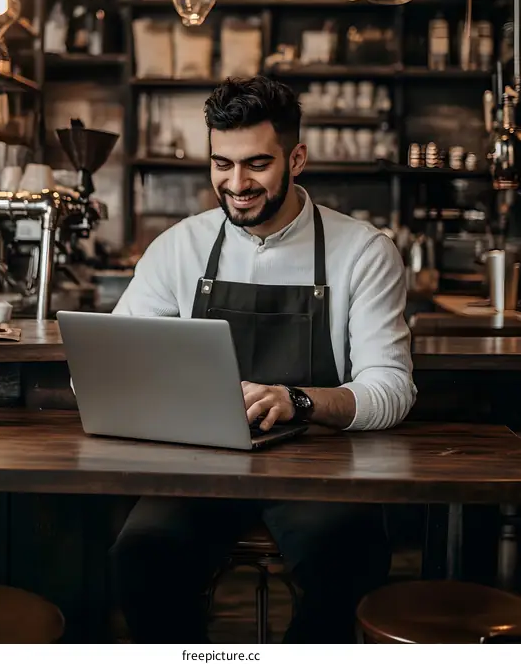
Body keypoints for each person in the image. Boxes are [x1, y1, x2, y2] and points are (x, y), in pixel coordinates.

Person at [111, 75, 415, 643]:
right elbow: (115, 362)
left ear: (296, 158)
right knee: (143, 555)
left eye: (256, 164)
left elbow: (392, 388)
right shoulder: (179, 247)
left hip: (317, 469)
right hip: (201, 466)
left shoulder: (362, 252)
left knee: (346, 562)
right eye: (221, 164)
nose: (236, 183)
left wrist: (296, 399)